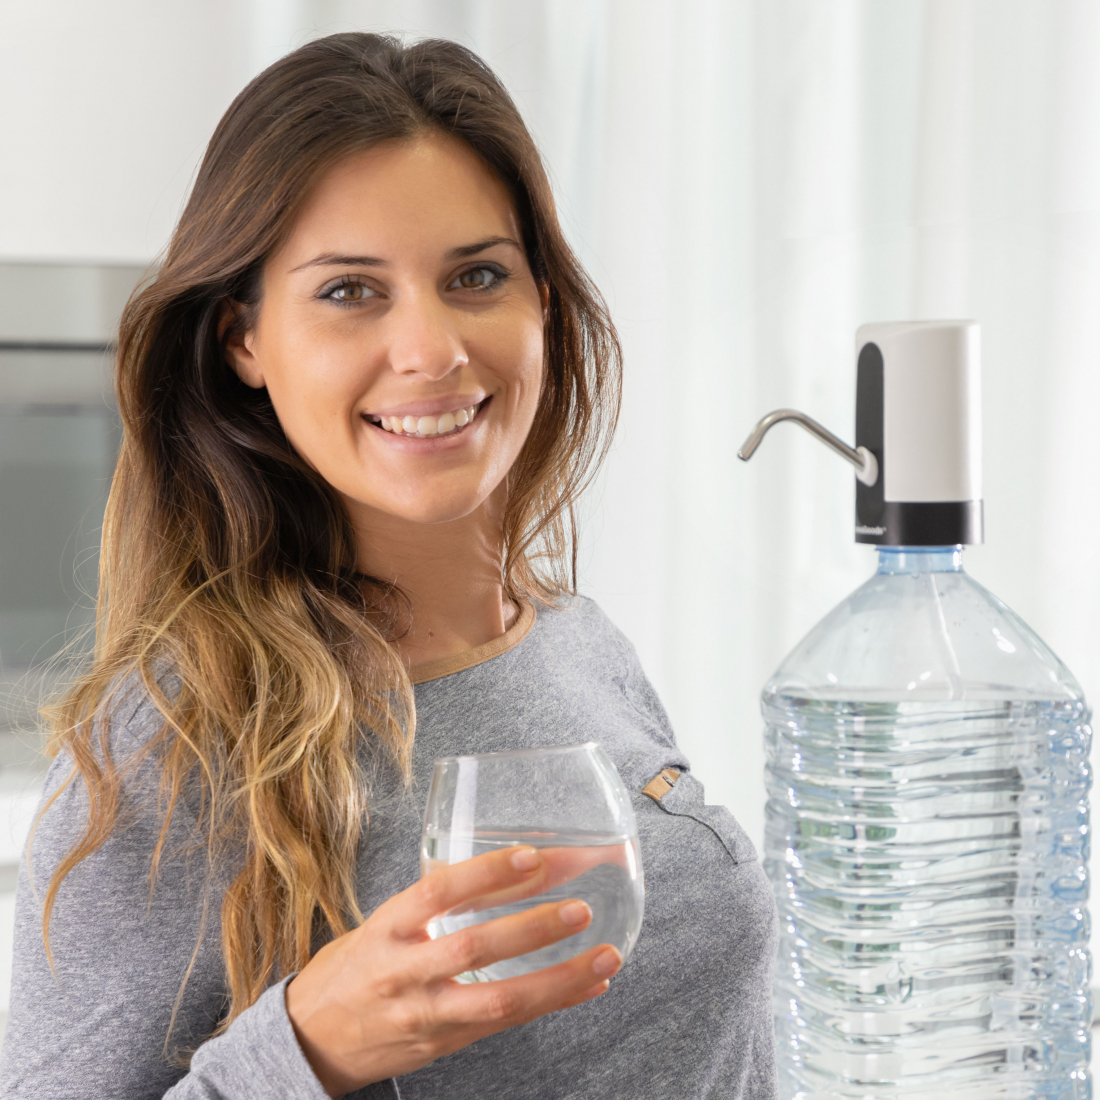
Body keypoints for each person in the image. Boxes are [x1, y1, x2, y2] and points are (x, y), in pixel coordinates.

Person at [0, 33, 778, 1100]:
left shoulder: (574, 638)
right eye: (349, 291)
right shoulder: (168, 742)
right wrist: (305, 1047)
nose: (433, 348)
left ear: (541, 301)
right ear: (243, 342)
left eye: (476, 275)